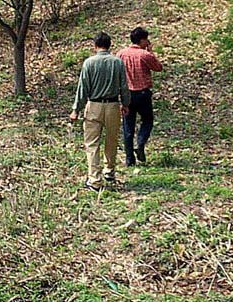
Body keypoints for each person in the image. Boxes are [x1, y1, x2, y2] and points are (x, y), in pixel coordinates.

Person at [69, 32, 130, 192]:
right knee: (111, 140)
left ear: (95, 46)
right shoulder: (117, 63)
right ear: (110, 45)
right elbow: (124, 85)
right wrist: (126, 103)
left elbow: (83, 88)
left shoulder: (89, 63)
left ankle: (94, 179)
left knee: (92, 143)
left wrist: (76, 109)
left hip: (94, 105)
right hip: (113, 105)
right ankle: (109, 171)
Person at [117, 26, 163, 167]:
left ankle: (129, 159)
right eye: (146, 40)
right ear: (142, 40)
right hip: (143, 93)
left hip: (127, 94)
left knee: (128, 126)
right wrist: (151, 52)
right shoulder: (145, 55)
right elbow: (158, 68)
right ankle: (141, 143)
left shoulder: (121, 54)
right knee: (147, 120)